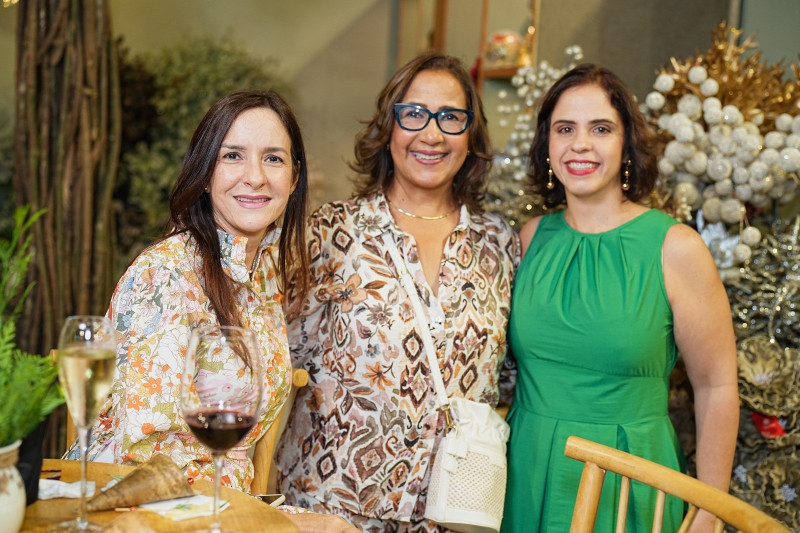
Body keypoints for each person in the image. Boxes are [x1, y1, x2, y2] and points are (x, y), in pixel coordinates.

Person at [69, 90, 357, 532]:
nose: (255, 177)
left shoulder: (263, 277)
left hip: (220, 503)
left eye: (274, 159)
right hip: (141, 506)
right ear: (205, 174)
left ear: (295, 177)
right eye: (234, 156)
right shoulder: (165, 274)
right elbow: (144, 454)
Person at [275, 51, 521, 532]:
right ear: (389, 129)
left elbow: (509, 375)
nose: (432, 134)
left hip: (453, 514)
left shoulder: (500, 245)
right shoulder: (330, 233)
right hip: (334, 512)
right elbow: (273, 358)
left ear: (471, 136)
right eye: (414, 115)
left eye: (451, 117)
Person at [501, 64, 739, 532]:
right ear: (546, 144)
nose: (580, 144)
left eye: (601, 129)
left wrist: (711, 506)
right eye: (564, 129)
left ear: (626, 142)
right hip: (525, 472)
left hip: (630, 477)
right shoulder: (531, 239)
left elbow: (716, 386)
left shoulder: (675, 248)